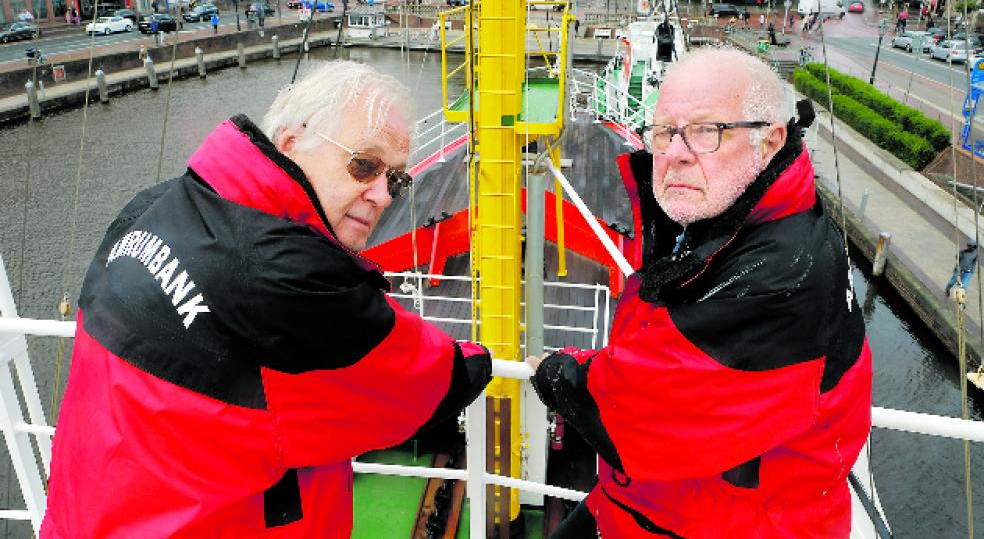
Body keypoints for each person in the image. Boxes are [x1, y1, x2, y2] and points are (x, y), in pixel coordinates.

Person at [40, 60, 493, 538]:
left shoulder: (152, 206)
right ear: (291, 144)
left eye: (396, 180)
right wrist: (481, 361)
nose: (382, 195)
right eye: (364, 165)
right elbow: (426, 381)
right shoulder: (292, 283)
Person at [529, 47, 872, 538]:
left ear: (771, 142)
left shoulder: (781, 277)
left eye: (707, 131)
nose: (673, 153)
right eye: (665, 132)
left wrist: (558, 374)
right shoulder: (744, 223)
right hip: (657, 503)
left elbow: (632, 413)